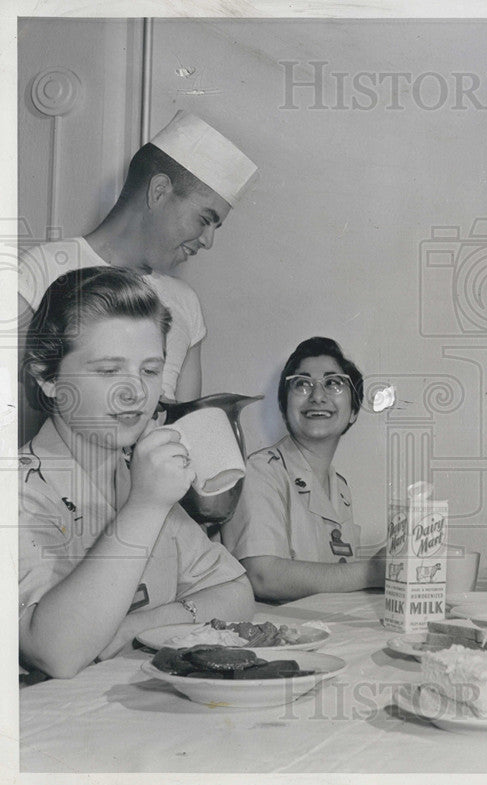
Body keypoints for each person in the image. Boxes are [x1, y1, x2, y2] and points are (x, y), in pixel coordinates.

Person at [19, 267, 255, 680]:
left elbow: (236, 591)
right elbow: (56, 652)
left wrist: (132, 629)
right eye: (109, 370)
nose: (136, 392)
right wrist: (145, 506)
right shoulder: (16, 492)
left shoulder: (135, 476)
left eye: (149, 370)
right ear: (47, 376)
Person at [18, 111, 258, 441]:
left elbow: (186, 439)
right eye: (205, 219)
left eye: (216, 227)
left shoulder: (185, 303)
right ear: (159, 191)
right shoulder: (39, 271)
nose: (208, 240)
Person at [221, 337, 385, 601]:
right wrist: (373, 573)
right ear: (285, 410)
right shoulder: (261, 471)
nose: (318, 396)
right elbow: (263, 576)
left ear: (354, 411)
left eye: (333, 383)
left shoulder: (340, 488)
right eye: (302, 384)